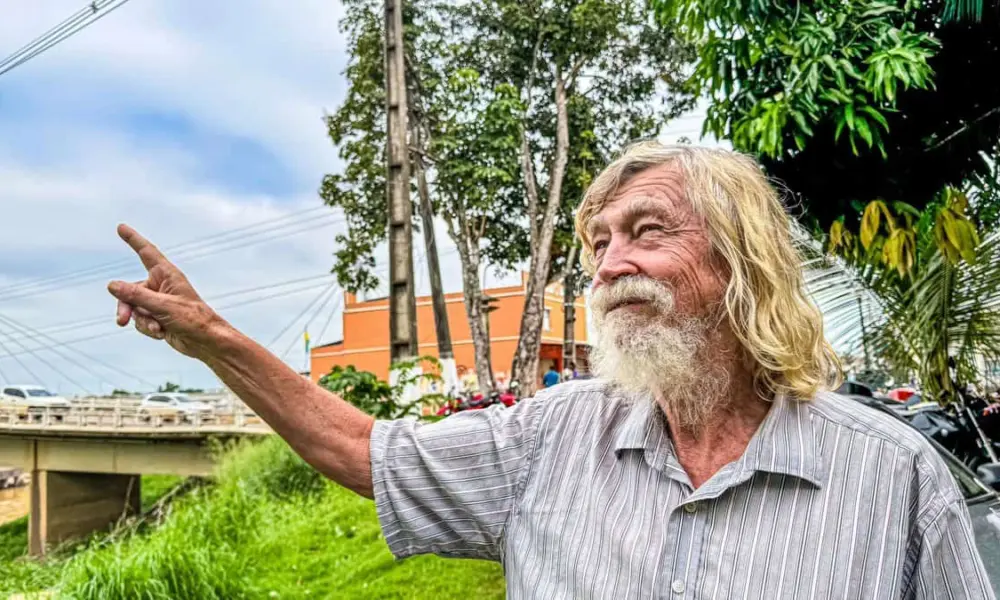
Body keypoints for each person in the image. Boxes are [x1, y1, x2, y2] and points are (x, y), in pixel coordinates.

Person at [107, 142, 993, 599]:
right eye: (600, 244)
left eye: (647, 232)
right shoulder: (547, 439)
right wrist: (213, 337)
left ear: (743, 260)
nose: (608, 266)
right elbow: (366, 451)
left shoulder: (894, 478)